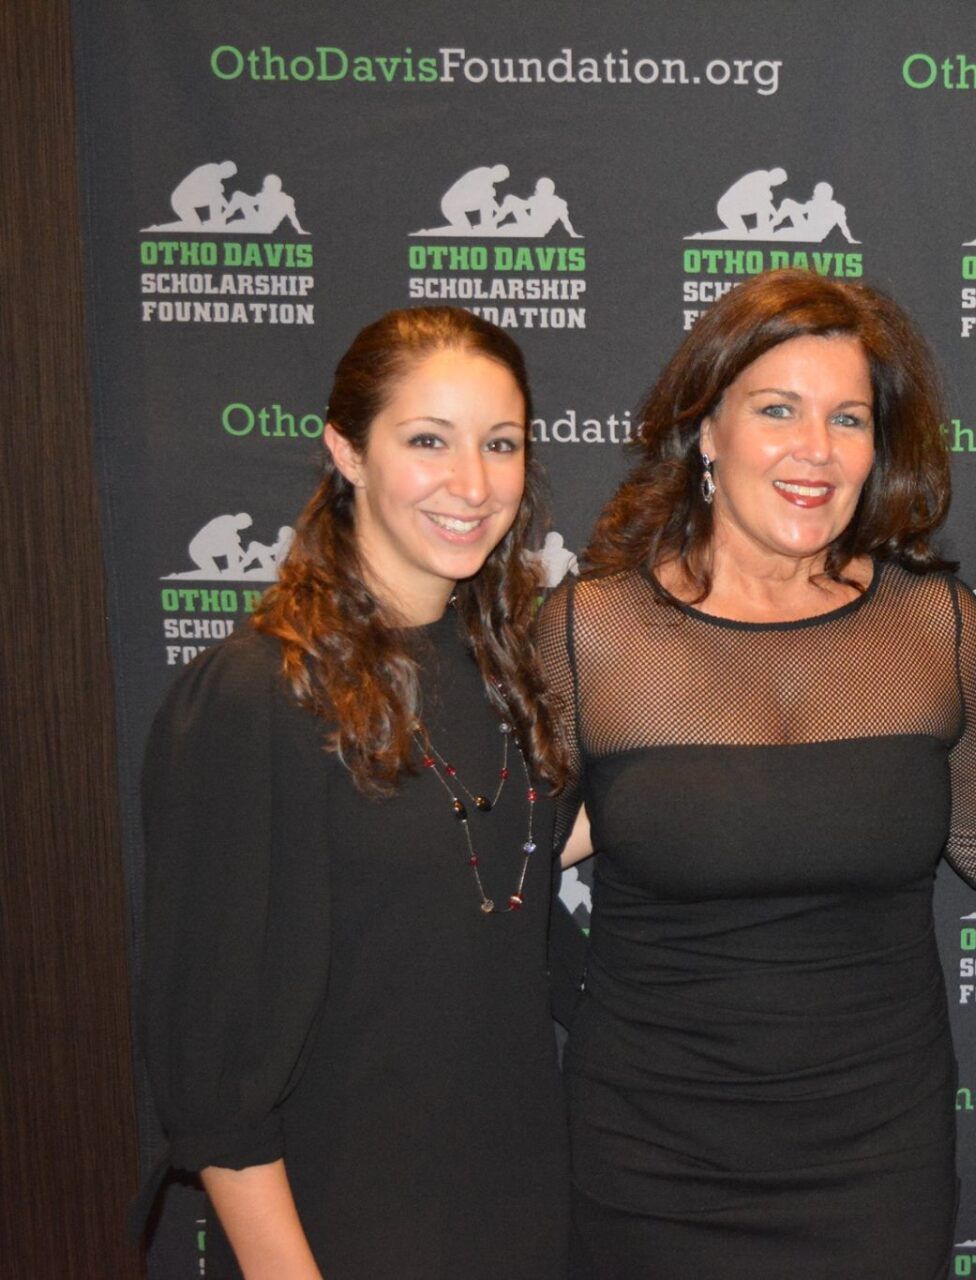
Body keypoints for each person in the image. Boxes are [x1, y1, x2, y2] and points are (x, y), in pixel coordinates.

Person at [540, 268, 976, 1278]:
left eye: (848, 418)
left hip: (875, 1157)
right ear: (705, 429)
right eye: (777, 410)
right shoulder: (596, 631)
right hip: (648, 1155)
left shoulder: (933, 626)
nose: (817, 449)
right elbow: (499, 869)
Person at [135, 307, 571, 1279]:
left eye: (500, 443)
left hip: (519, 1210)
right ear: (347, 451)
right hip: (347, 1223)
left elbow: (502, 841)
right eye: (429, 441)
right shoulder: (258, 696)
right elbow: (215, 1062)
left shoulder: (506, 668)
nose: (473, 483)